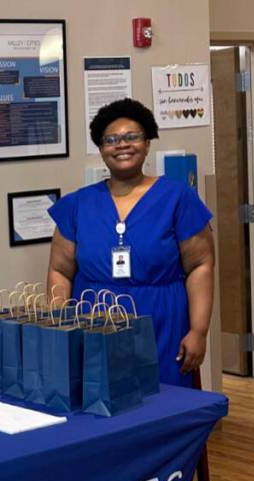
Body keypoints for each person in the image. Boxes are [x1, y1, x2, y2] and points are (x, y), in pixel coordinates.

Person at [46, 98, 214, 387]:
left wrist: (199, 330)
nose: (121, 145)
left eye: (132, 137)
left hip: (162, 323)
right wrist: (60, 327)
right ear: (101, 150)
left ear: (147, 143)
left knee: (165, 407)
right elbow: (60, 271)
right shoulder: (77, 204)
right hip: (95, 324)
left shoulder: (177, 198)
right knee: (101, 406)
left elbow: (201, 266)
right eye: (111, 140)